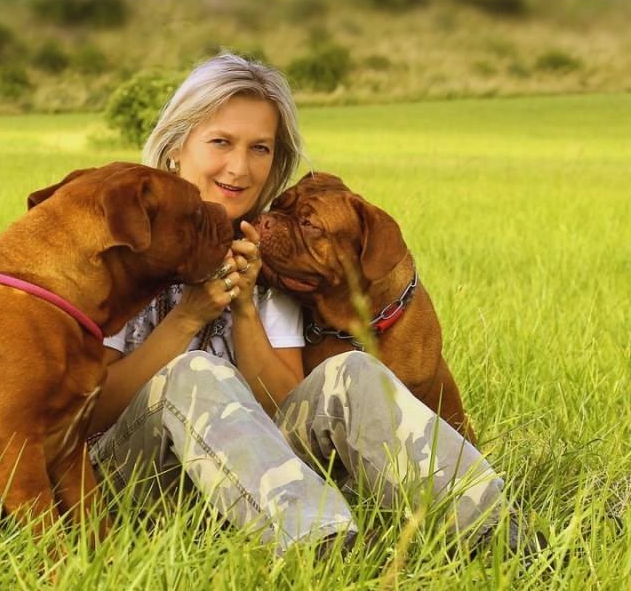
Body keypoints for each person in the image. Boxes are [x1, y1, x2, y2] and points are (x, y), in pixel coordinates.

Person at [86, 52, 525, 557]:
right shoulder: (121, 241)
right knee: (195, 372)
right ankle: (318, 547)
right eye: (221, 142)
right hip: (129, 477)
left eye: (260, 149)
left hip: (243, 481)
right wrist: (188, 317)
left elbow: (286, 408)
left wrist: (245, 305)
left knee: (352, 372)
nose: (239, 167)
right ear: (176, 146)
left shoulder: (271, 258)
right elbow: (92, 411)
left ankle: (498, 534)